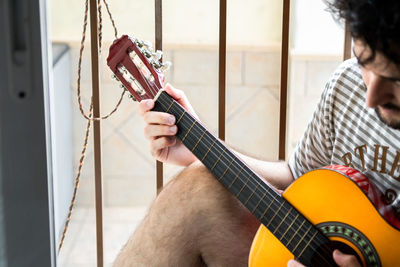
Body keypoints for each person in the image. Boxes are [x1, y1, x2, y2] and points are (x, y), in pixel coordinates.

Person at [113, 0, 400, 266]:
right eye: (364, 62)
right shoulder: (347, 84)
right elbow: (298, 175)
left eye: (395, 80)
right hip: (309, 251)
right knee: (194, 187)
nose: (371, 98)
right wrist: (201, 149)